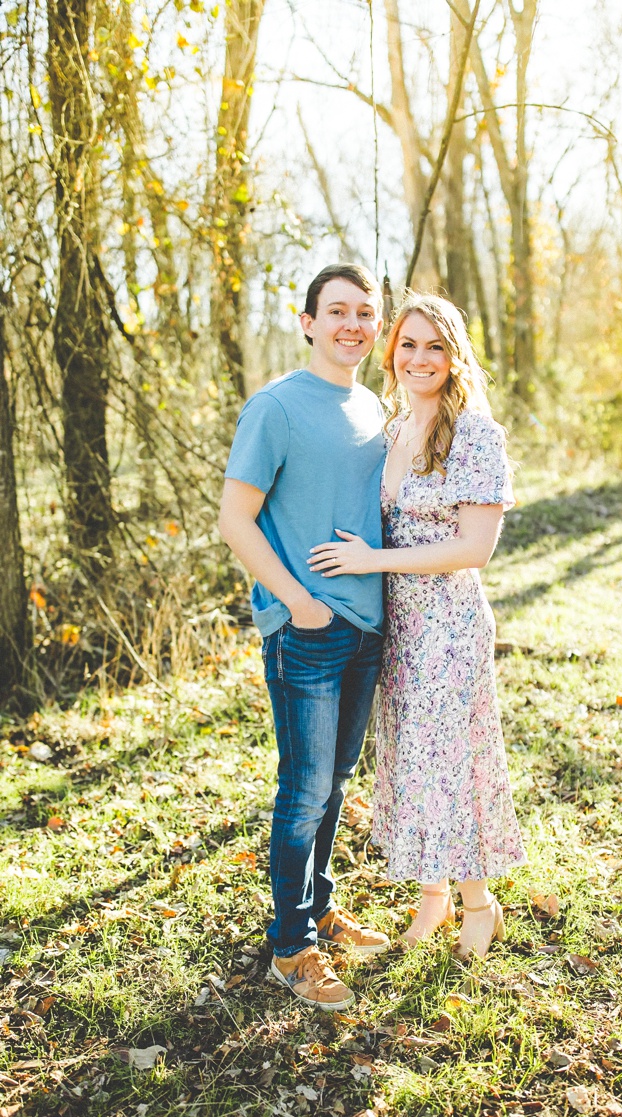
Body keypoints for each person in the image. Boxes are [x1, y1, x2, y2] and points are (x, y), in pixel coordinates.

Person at [308, 293, 525, 961]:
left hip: (450, 624)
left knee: (453, 762)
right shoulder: (390, 427)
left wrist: (375, 559)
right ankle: (432, 895)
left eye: (435, 346)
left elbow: (474, 547)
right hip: (394, 623)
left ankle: (479, 903)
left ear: (455, 355)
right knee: (410, 761)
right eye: (408, 343)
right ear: (391, 351)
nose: (419, 358)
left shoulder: (477, 435)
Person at [219, 263, 393, 1012]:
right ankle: (290, 947)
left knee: (336, 784)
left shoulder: (378, 408)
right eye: (338, 311)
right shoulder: (277, 407)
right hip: (307, 630)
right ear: (309, 321)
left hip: (366, 628)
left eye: (365, 312)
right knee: (303, 790)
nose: (353, 323)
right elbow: (235, 519)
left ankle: (319, 905)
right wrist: (296, 602)